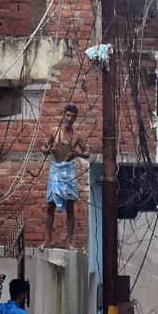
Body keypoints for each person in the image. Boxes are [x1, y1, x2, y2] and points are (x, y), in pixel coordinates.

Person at [44, 104, 89, 244]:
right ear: (64, 115)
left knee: (70, 206)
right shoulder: (54, 131)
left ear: (75, 119)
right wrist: (47, 150)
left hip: (69, 172)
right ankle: (47, 240)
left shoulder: (76, 136)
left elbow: (87, 152)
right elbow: (43, 147)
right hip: (56, 171)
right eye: (68, 115)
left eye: (73, 117)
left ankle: (69, 242)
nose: (69, 119)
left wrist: (77, 154)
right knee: (50, 205)